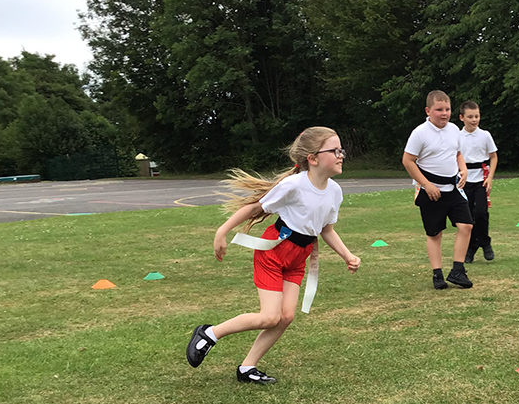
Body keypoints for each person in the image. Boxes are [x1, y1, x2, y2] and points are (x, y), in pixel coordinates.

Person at [185, 126, 361, 384]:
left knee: (285, 317)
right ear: (312, 159)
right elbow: (255, 207)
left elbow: (326, 230)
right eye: (334, 150)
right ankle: (209, 333)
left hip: (299, 256)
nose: (341, 155)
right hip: (274, 250)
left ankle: (247, 368)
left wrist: (347, 255)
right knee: (270, 316)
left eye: (341, 150)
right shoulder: (294, 185)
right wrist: (221, 232)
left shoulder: (335, 191)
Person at [402, 90, 474, 290]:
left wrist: (464, 169)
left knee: (466, 225)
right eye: (439, 110)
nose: (444, 113)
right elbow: (407, 161)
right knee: (435, 233)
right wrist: (426, 185)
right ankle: (438, 274)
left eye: (448, 109)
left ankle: (458, 270)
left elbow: (458, 153)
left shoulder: (453, 130)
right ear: (428, 110)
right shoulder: (420, 133)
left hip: (453, 188)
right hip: (430, 190)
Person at [458, 100, 499, 263]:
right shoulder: (457, 136)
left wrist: (490, 177)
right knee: (468, 217)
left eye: (477, 116)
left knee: (481, 213)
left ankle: (485, 242)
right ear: (462, 118)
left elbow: (493, 156)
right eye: (470, 117)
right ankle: (471, 247)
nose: (474, 120)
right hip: (464, 181)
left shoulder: (485, 135)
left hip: (481, 180)